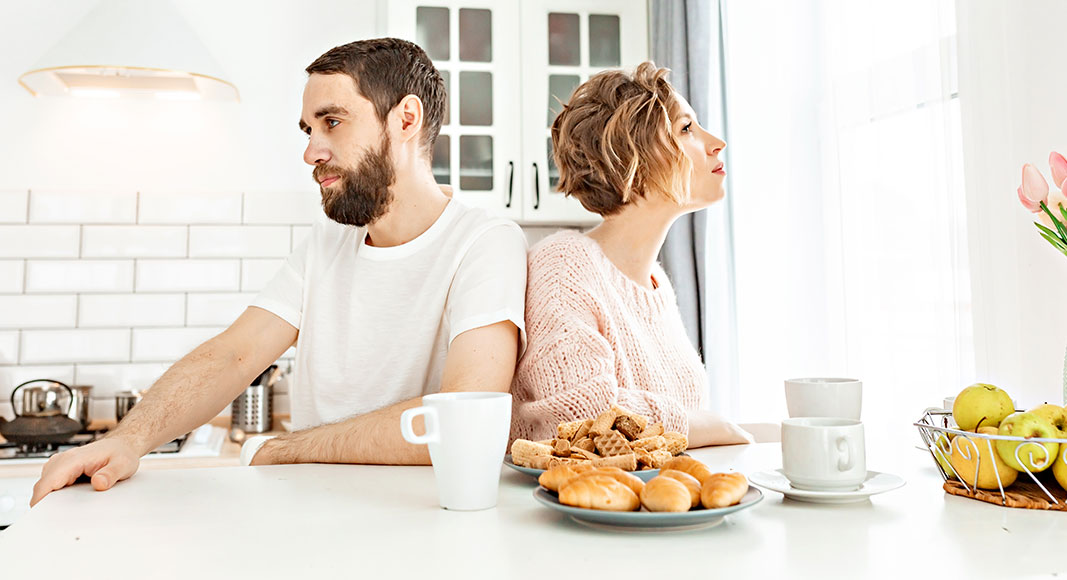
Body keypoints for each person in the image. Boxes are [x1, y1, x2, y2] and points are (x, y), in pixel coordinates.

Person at [32, 38, 527, 506]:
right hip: (308, 518)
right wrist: (129, 440)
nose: (311, 152)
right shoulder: (328, 242)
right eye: (308, 130)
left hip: (420, 526)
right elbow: (234, 354)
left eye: (332, 122)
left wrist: (282, 448)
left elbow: (464, 416)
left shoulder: (484, 242)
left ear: (406, 119)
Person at [510, 62, 751, 447]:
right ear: (633, 157)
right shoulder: (562, 267)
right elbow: (581, 418)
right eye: (686, 128)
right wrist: (705, 427)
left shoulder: (656, 283)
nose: (716, 142)